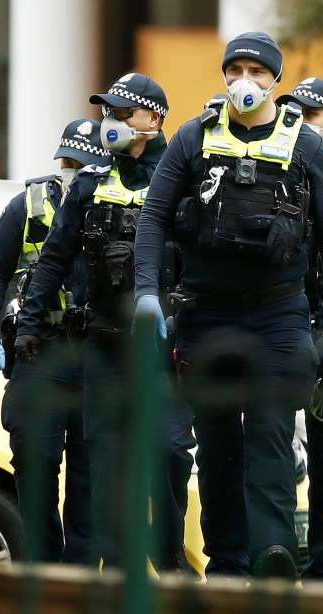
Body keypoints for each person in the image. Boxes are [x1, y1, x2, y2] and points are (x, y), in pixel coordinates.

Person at [132, 32, 323, 581]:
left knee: (270, 437)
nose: (245, 81)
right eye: (235, 69)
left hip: (278, 315)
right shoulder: (193, 137)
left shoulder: (304, 144)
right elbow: (153, 219)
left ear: (276, 82)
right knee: (217, 445)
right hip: (207, 315)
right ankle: (228, 563)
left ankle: (273, 555)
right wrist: (146, 292)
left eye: (258, 72)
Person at [13, 73, 196, 572]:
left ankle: (168, 552)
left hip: (165, 349)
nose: (108, 122)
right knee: (109, 467)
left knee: (171, 450)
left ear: (153, 120)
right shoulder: (93, 182)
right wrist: (29, 324)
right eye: (107, 113)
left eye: (121, 113)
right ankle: (118, 576)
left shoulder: (183, 181)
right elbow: (53, 259)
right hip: (105, 348)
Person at [0, 118, 109, 564]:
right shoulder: (28, 205)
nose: (74, 170)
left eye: (83, 163)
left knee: (91, 477)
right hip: (39, 347)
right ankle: (42, 569)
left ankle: (84, 580)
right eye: (69, 162)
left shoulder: (112, 202)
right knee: (34, 463)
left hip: (95, 350)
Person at [275, 76, 323, 581]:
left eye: (313, 113)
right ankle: (287, 558)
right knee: (281, 448)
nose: (301, 121)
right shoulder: (284, 166)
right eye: (295, 111)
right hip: (286, 323)